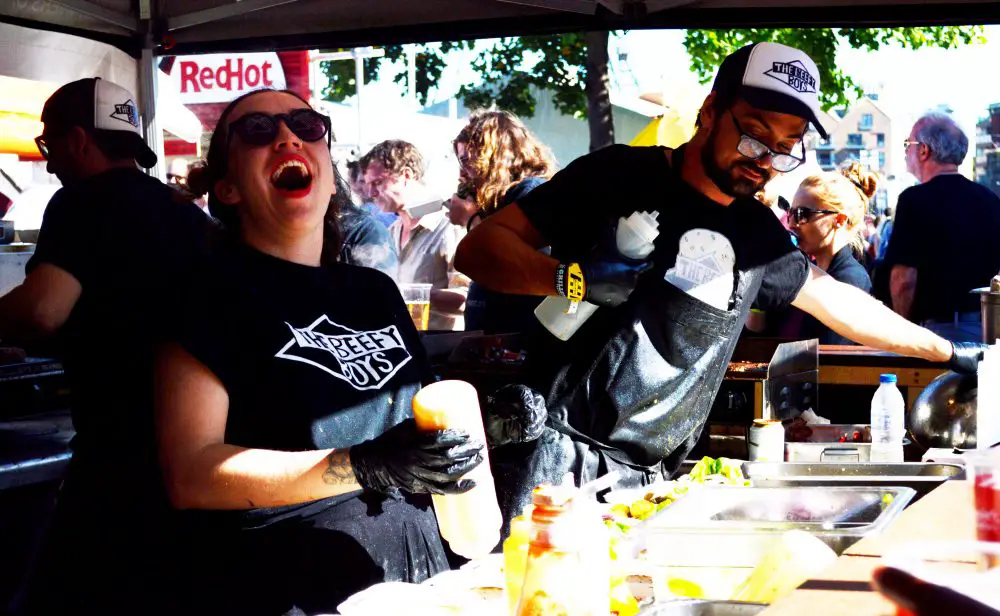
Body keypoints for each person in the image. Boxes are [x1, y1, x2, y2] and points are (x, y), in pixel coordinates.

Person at [454, 42, 986, 529]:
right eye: (754, 134)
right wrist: (571, 279)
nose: (765, 160)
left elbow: (839, 301)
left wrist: (951, 351)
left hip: (648, 481)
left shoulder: (757, 234)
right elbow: (478, 251)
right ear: (710, 112)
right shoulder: (617, 175)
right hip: (554, 460)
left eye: (785, 147)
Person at [161, 89, 484, 615]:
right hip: (290, 582)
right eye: (258, 131)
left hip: (417, 572)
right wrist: (363, 466)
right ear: (227, 187)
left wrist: (489, 430)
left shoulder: (373, 293)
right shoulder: (205, 293)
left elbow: (422, 427)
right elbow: (191, 473)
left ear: (331, 176)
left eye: (306, 124)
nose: (287, 136)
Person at [0, 77, 213, 615]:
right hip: (195, 448)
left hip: (117, 450)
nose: (48, 164)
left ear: (77, 140)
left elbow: (43, 310)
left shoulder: (82, 202)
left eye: (50, 146)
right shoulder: (186, 210)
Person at [886, 112, 1000, 342]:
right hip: (987, 327)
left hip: (939, 333)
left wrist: (904, 334)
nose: (906, 151)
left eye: (908, 144)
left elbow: (904, 279)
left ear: (924, 151)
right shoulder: (990, 199)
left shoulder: (914, 200)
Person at [447, 110, 557, 333]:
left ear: (494, 156)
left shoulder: (531, 192)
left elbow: (512, 256)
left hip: (518, 338)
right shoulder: (498, 201)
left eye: (467, 161)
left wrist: (470, 219)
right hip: (490, 338)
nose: (462, 173)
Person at [748, 163, 876, 344]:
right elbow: (760, 331)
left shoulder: (850, 279)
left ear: (839, 220)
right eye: (790, 212)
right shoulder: (804, 272)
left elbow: (831, 358)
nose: (791, 223)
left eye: (802, 214)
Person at [363, 139, 469, 330]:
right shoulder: (391, 231)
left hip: (440, 351)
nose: (371, 193)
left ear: (406, 175)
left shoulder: (450, 227)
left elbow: (467, 300)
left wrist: (410, 297)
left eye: (378, 182)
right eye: (368, 184)